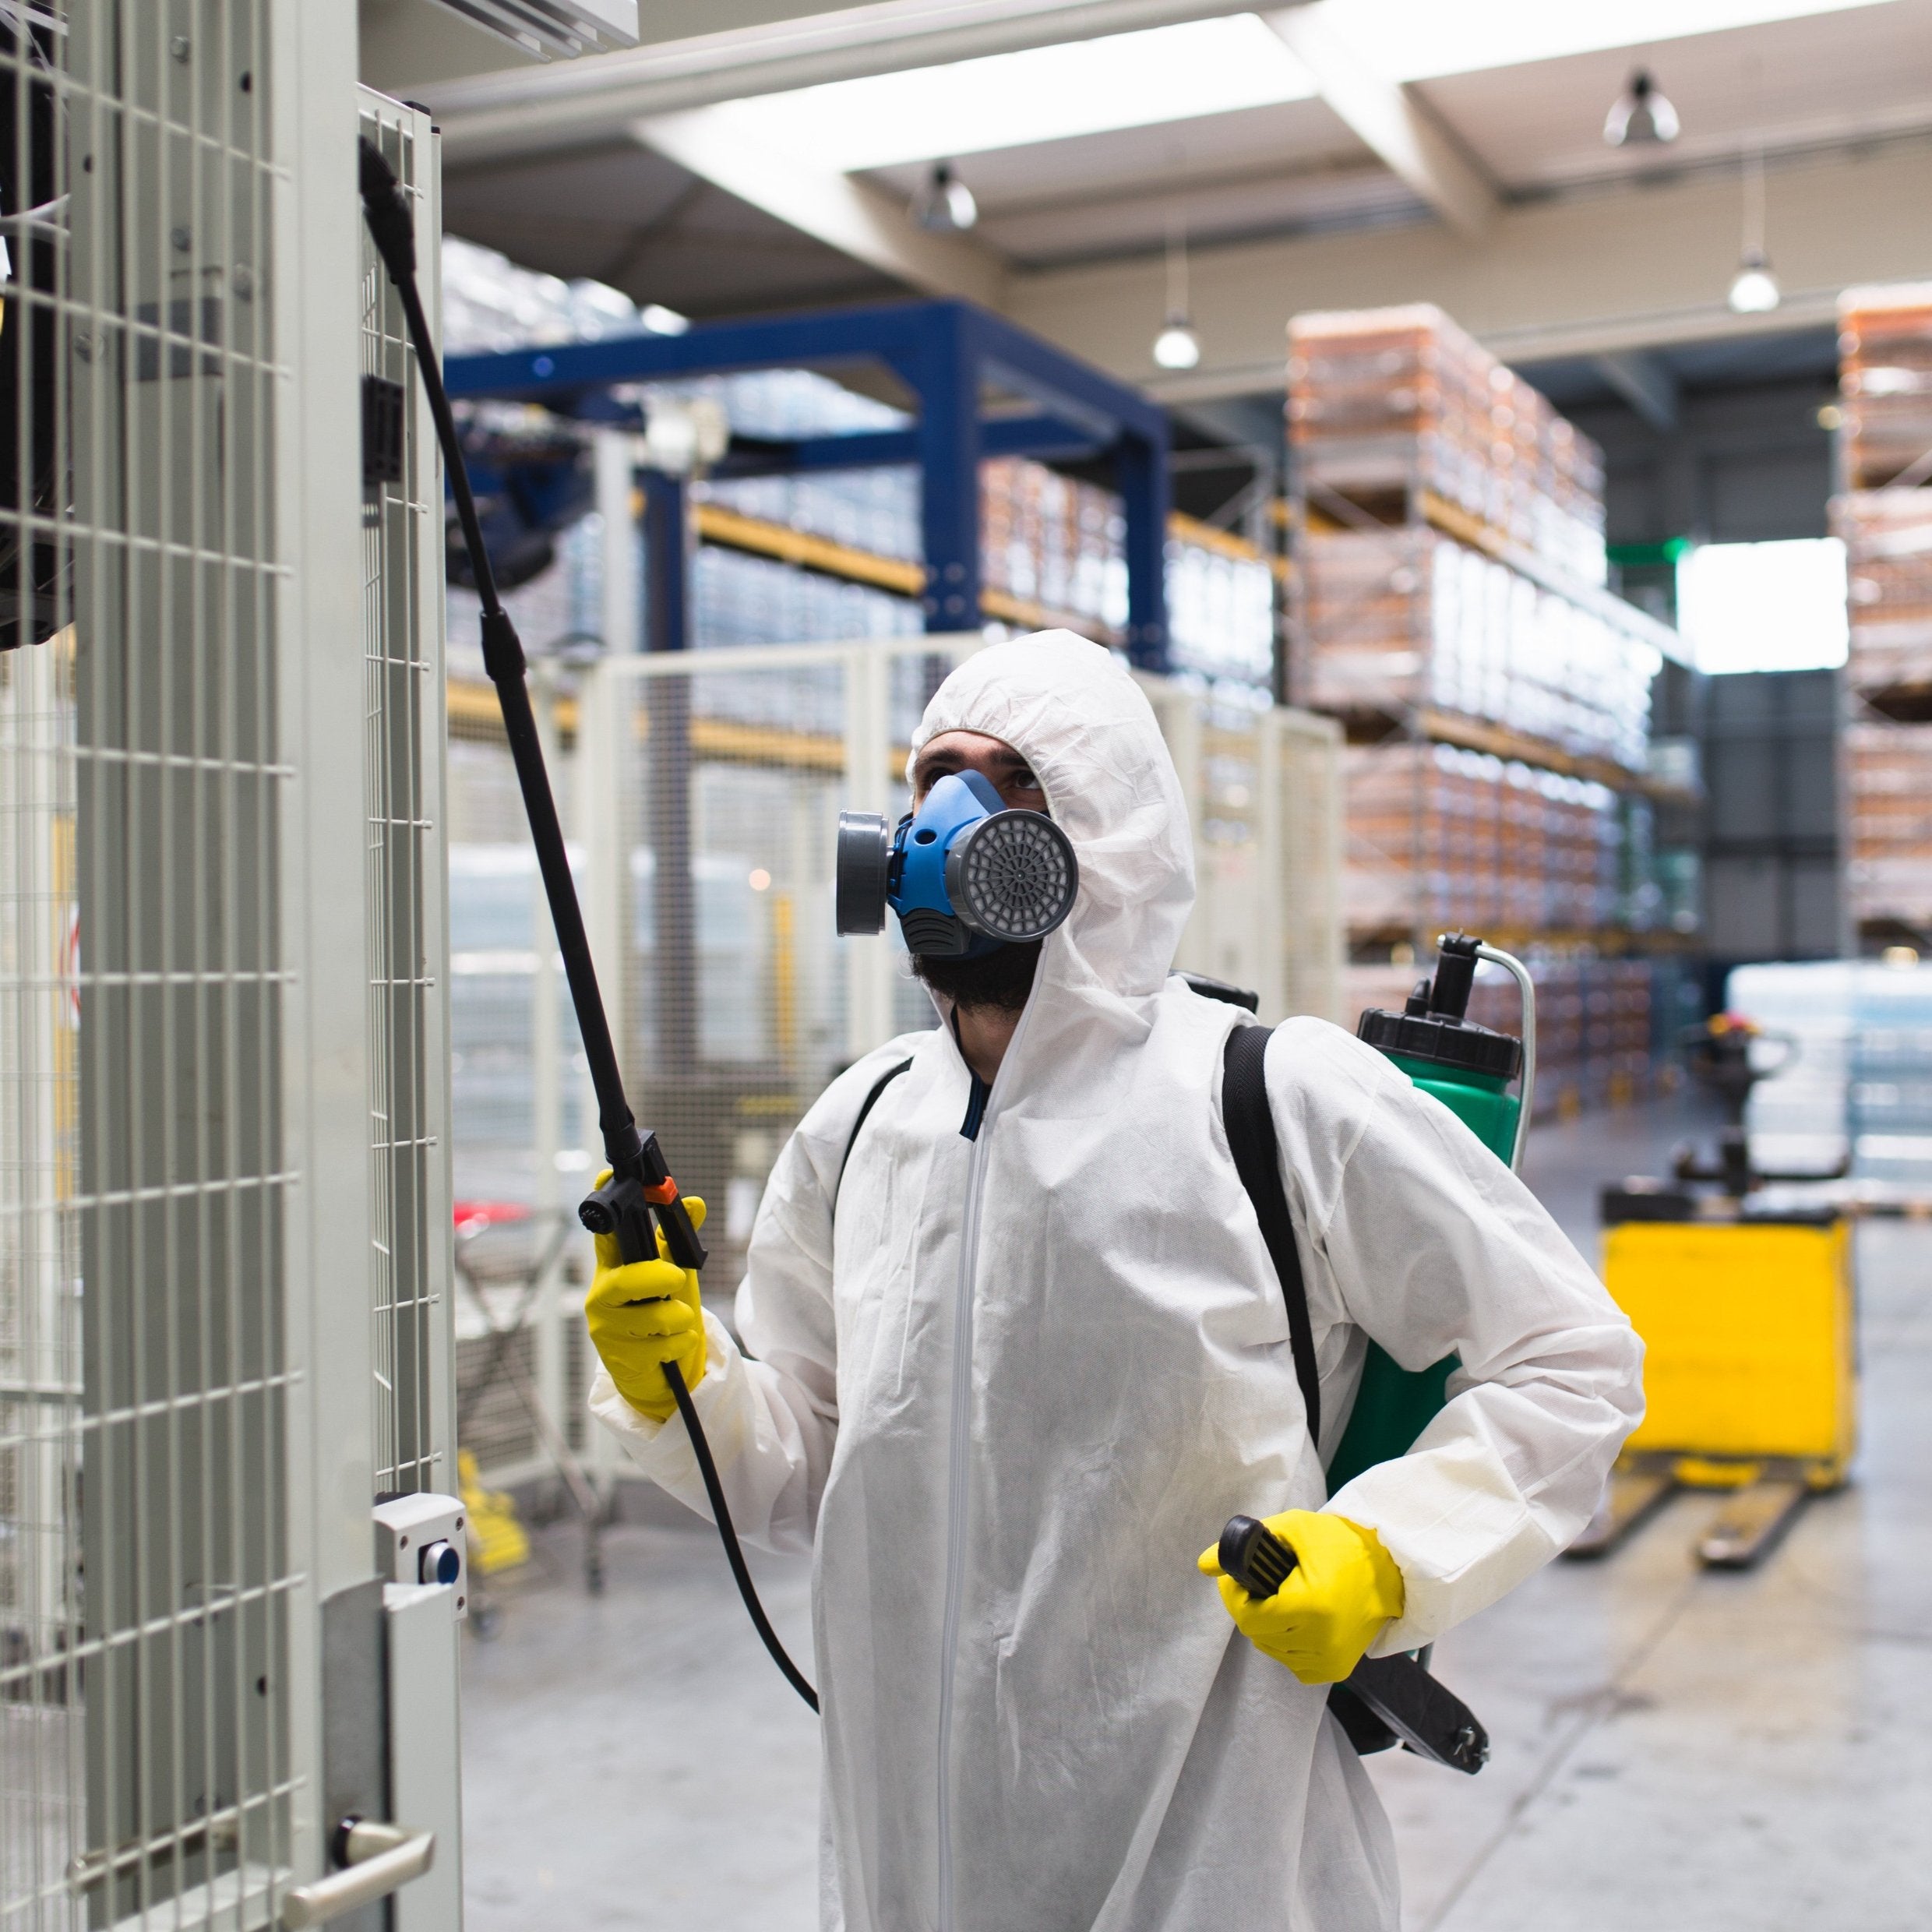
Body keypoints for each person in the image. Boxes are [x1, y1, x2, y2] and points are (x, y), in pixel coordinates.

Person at [584, 631, 1645, 1932]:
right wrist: (685, 1386)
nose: (944, 820)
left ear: (1111, 829)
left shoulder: (1269, 1095)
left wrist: (1385, 1556)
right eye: (931, 778)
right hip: (909, 1858)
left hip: (1216, 1858)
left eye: (1011, 781)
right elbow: (808, 1461)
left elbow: (1571, 1359)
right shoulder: (862, 1126)